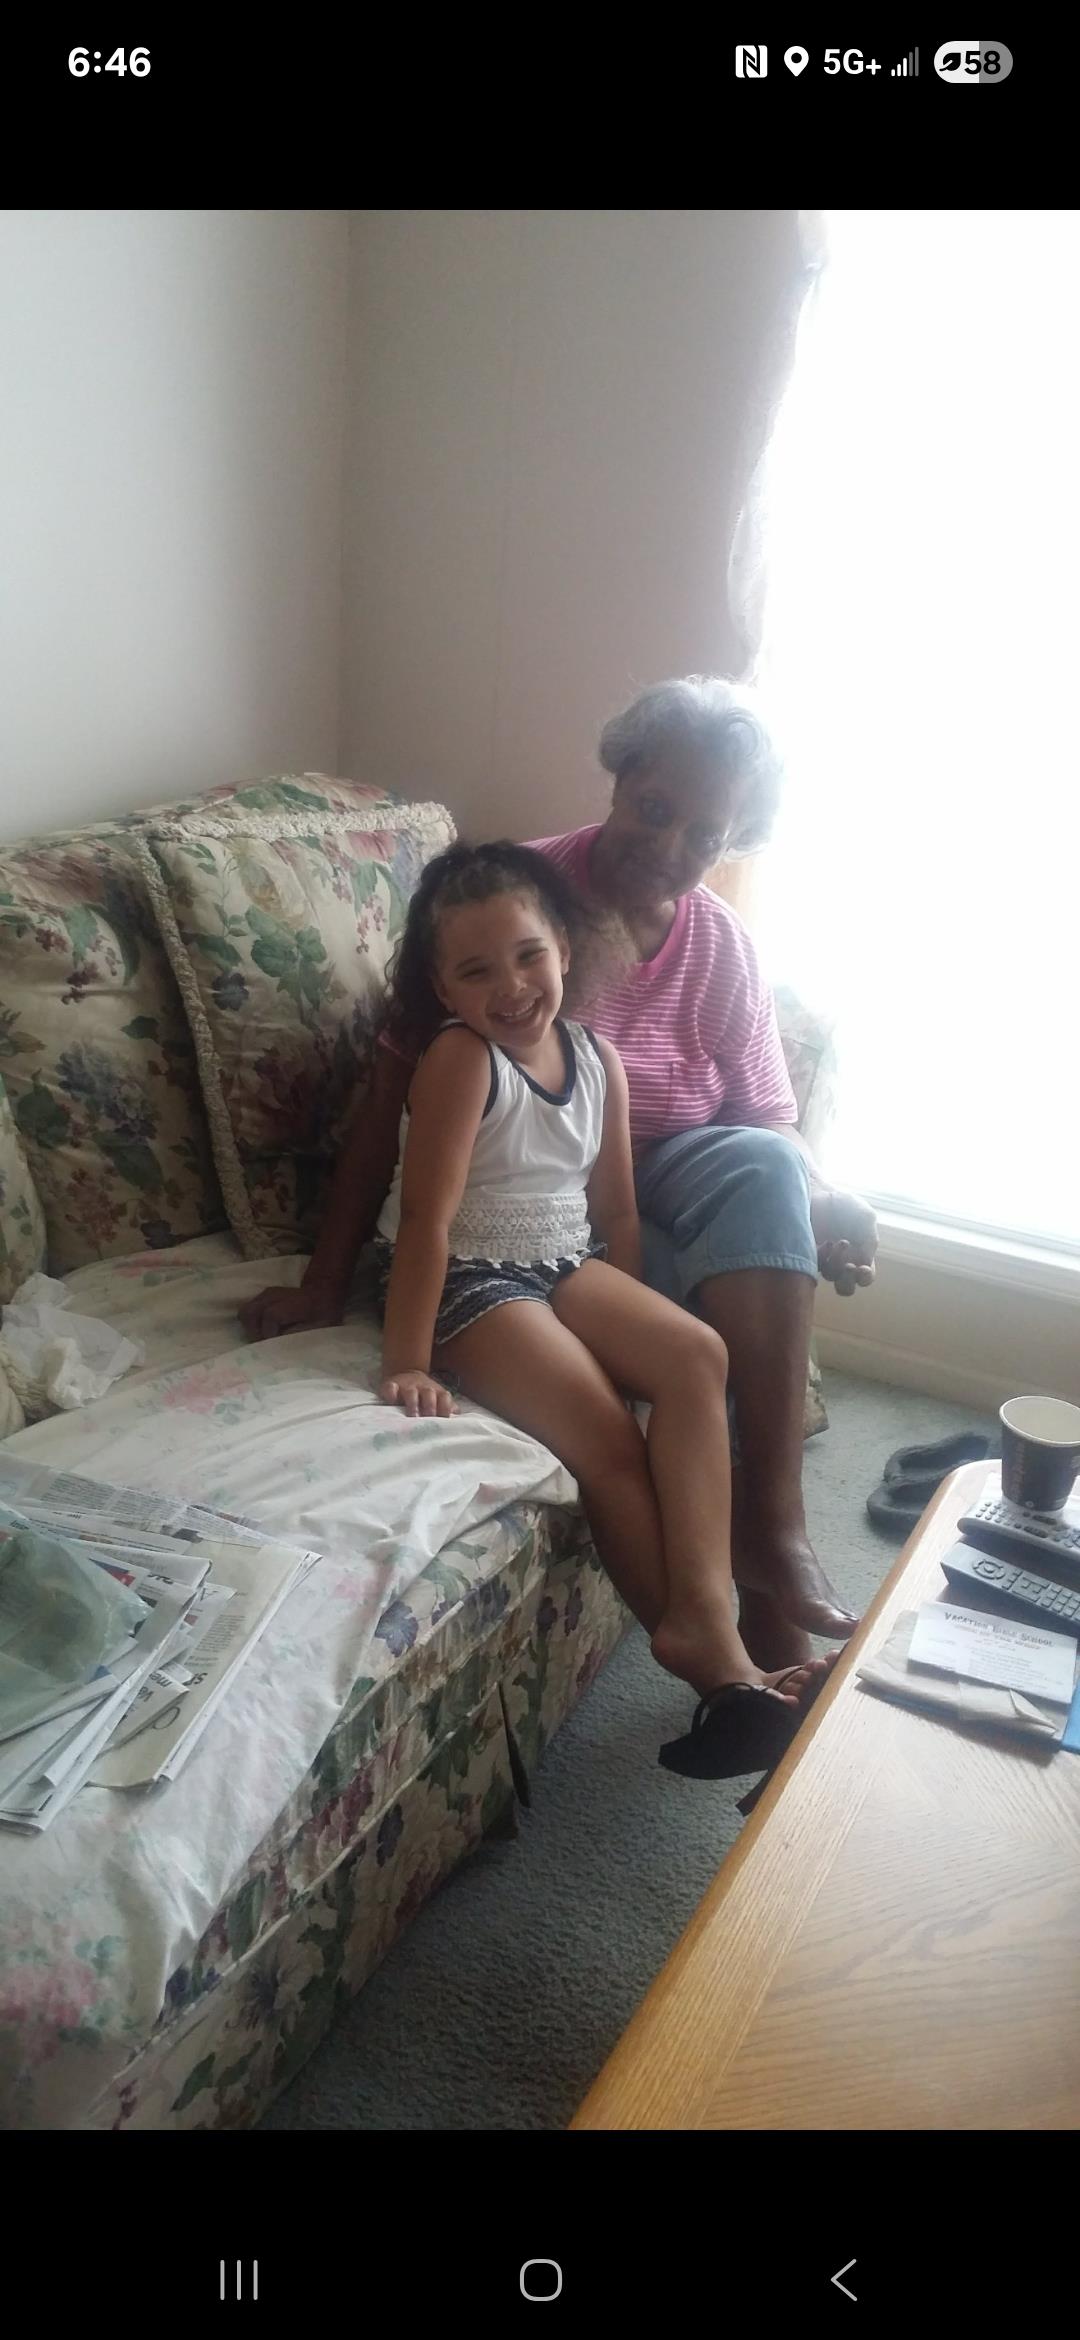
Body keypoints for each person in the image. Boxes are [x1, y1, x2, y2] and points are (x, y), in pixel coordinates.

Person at [240, 677, 878, 1670]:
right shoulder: (514, 903)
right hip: (514, 1235)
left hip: (641, 1201)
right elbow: (400, 1132)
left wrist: (825, 1194)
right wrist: (330, 1281)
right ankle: (733, 1652)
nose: (670, 850)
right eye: (655, 810)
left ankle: (774, 1534)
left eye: (704, 834)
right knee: (656, 1383)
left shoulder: (713, 950)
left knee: (762, 1174)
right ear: (619, 779)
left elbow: (764, 1121)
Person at [368, 837, 834, 1779]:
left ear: (568, 949)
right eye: (476, 969)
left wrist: (625, 1319)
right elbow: (426, 1222)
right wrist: (406, 1360)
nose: (510, 985)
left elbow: (615, 1212)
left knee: (698, 1355)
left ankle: (705, 1609)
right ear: (445, 987)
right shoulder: (460, 1061)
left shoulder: (596, 1057)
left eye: (529, 954)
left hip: (561, 1259)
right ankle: (720, 1666)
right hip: (466, 1277)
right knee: (608, 1438)